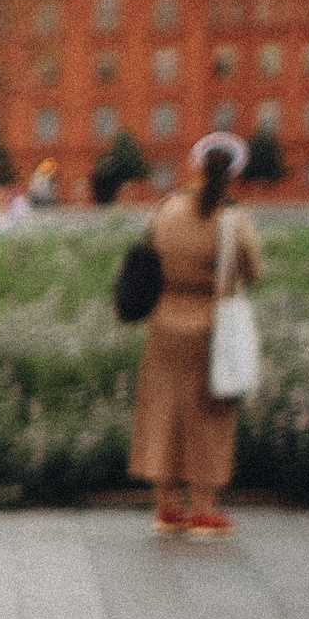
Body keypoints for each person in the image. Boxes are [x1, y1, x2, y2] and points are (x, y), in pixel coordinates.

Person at [131, 132, 262, 539]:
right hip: (210, 326)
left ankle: (166, 507)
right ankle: (204, 510)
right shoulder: (232, 218)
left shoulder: (166, 208)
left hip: (164, 322)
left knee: (164, 410)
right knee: (208, 415)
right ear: (234, 174)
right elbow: (254, 272)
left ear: (196, 167)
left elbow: (146, 255)